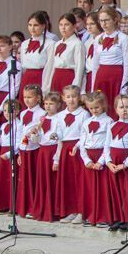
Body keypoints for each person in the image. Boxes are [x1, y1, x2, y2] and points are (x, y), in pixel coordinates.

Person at [104, 94, 128, 233]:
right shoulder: (112, 125)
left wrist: (125, 164)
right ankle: (118, 218)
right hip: (113, 163)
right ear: (116, 109)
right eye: (121, 107)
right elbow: (106, 145)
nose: (125, 110)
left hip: (127, 163)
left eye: (127, 107)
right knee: (115, 191)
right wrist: (108, 161)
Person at [26, 92, 65, 223]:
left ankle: (53, 210)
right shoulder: (42, 119)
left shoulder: (59, 118)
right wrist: (34, 134)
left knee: (52, 181)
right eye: (46, 104)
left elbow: (60, 139)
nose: (48, 107)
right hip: (43, 151)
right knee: (42, 180)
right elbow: (37, 140)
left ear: (58, 105)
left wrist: (56, 159)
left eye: (51, 104)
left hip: (52, 150)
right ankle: (41, 209)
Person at [91, 6, 128, 117]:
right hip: (101, 76)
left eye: (107, 20)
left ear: (115, 19)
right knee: (100, 105)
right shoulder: (98, 38)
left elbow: (127, 65)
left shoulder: (123, 38)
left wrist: (124, 87)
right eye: (101, 21)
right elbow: (95, 65)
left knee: (115, 106)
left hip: (116, 77)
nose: (104, 24)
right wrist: (93, 86)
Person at [54, 86, 87, 224]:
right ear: (63, 98)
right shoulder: (60, 115)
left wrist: (77, 145)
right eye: (68, 97)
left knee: (79, 180)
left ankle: (81, 211)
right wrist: (56, 158)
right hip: (65, 148)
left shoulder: (84, 114)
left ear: (79, 97)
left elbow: (85, 134)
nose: (71, 100)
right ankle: (71, 210)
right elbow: (60, 135)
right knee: (69, 181)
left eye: (74, 96)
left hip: (77, 149)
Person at [80, 92, 113, 227]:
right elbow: (82, 142)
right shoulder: (86, 122)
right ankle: (90, 216)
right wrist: (86, 160)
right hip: (89, 157)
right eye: (91, 108)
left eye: (96, 107)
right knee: (89, 189)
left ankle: (102, 217)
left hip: (101, 157)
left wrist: (101, 161)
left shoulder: (108, 121)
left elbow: (108, 143)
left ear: (103, 105)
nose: (94, 110)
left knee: (102, 189)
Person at [14, 84, 46, 219]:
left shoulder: (41, 113)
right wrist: (19, 151)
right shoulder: (23, 113)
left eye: (30, 97)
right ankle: (24, 206)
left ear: (38, 98)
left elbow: (41, 132)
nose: (27, 100)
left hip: (35, 149)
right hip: (24, 149)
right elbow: (20, 132)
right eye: (25, 97)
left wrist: (34, 135)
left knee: (33, 178)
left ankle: (34, 207)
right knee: (24, 179)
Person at [43, 14, 87, 95]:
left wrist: (75, 86)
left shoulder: (77, 44)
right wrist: (47, 86)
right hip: (56, 77)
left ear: (74, 26)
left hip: (68, 77)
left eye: (66, 24)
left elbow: (79, 67)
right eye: (61, 25)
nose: (63, 28)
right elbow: (51, 65)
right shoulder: (57, 44)